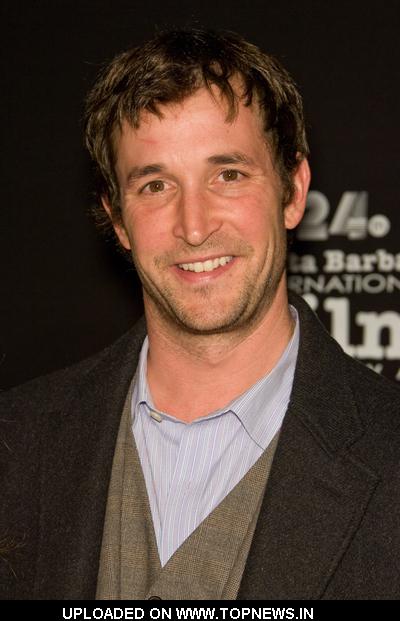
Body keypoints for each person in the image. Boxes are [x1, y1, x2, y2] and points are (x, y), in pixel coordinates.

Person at [1, 29, 399, 601]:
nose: (194, 226)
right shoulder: (15, 445)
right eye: (156, 185)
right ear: (118, 218)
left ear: (293, 192)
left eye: (228, 175)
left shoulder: (389, 447)